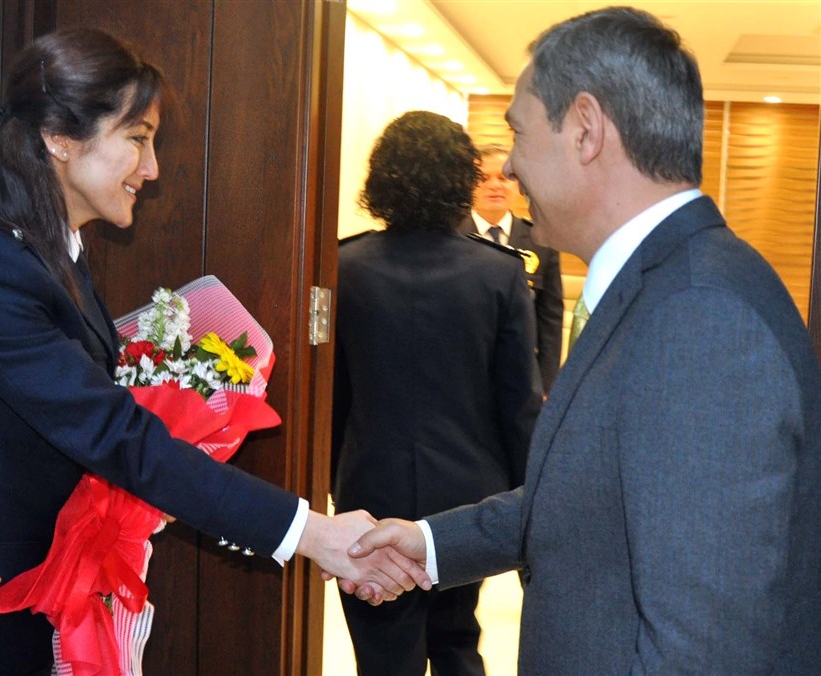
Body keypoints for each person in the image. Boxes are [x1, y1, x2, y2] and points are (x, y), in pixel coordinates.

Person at [0, 28, 427, 675]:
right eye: (137, 138)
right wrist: (313, 533)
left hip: (8, 593)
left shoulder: (52, 258)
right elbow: (118, 436)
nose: (153, 168)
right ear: (58, 136)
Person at [342, 7, 821, 673]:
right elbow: (588, 499)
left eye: (519, 131)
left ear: (586, 130)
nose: (509, 167)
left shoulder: (702, 317)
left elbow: (703, 652)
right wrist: (430, 540)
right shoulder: (662, 285)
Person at [331, 111, 542, 675]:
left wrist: (332, 485)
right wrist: (529, 502)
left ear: (382, 179)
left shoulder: (344, 266)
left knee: (382, 653)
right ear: (459, 180)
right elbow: (519, 404)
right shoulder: (499, 273)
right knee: (457, 640)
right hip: (468, 499)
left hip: (370, 489)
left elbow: (335, 399)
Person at [460, 144, 563, 393]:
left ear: (517, 183)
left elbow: (550, 318)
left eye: (503, 177)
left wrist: (546, 385)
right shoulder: (450, 237)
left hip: (521, 375)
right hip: (463, 373)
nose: (494, 185)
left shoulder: (541, 240)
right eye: (483, 178)